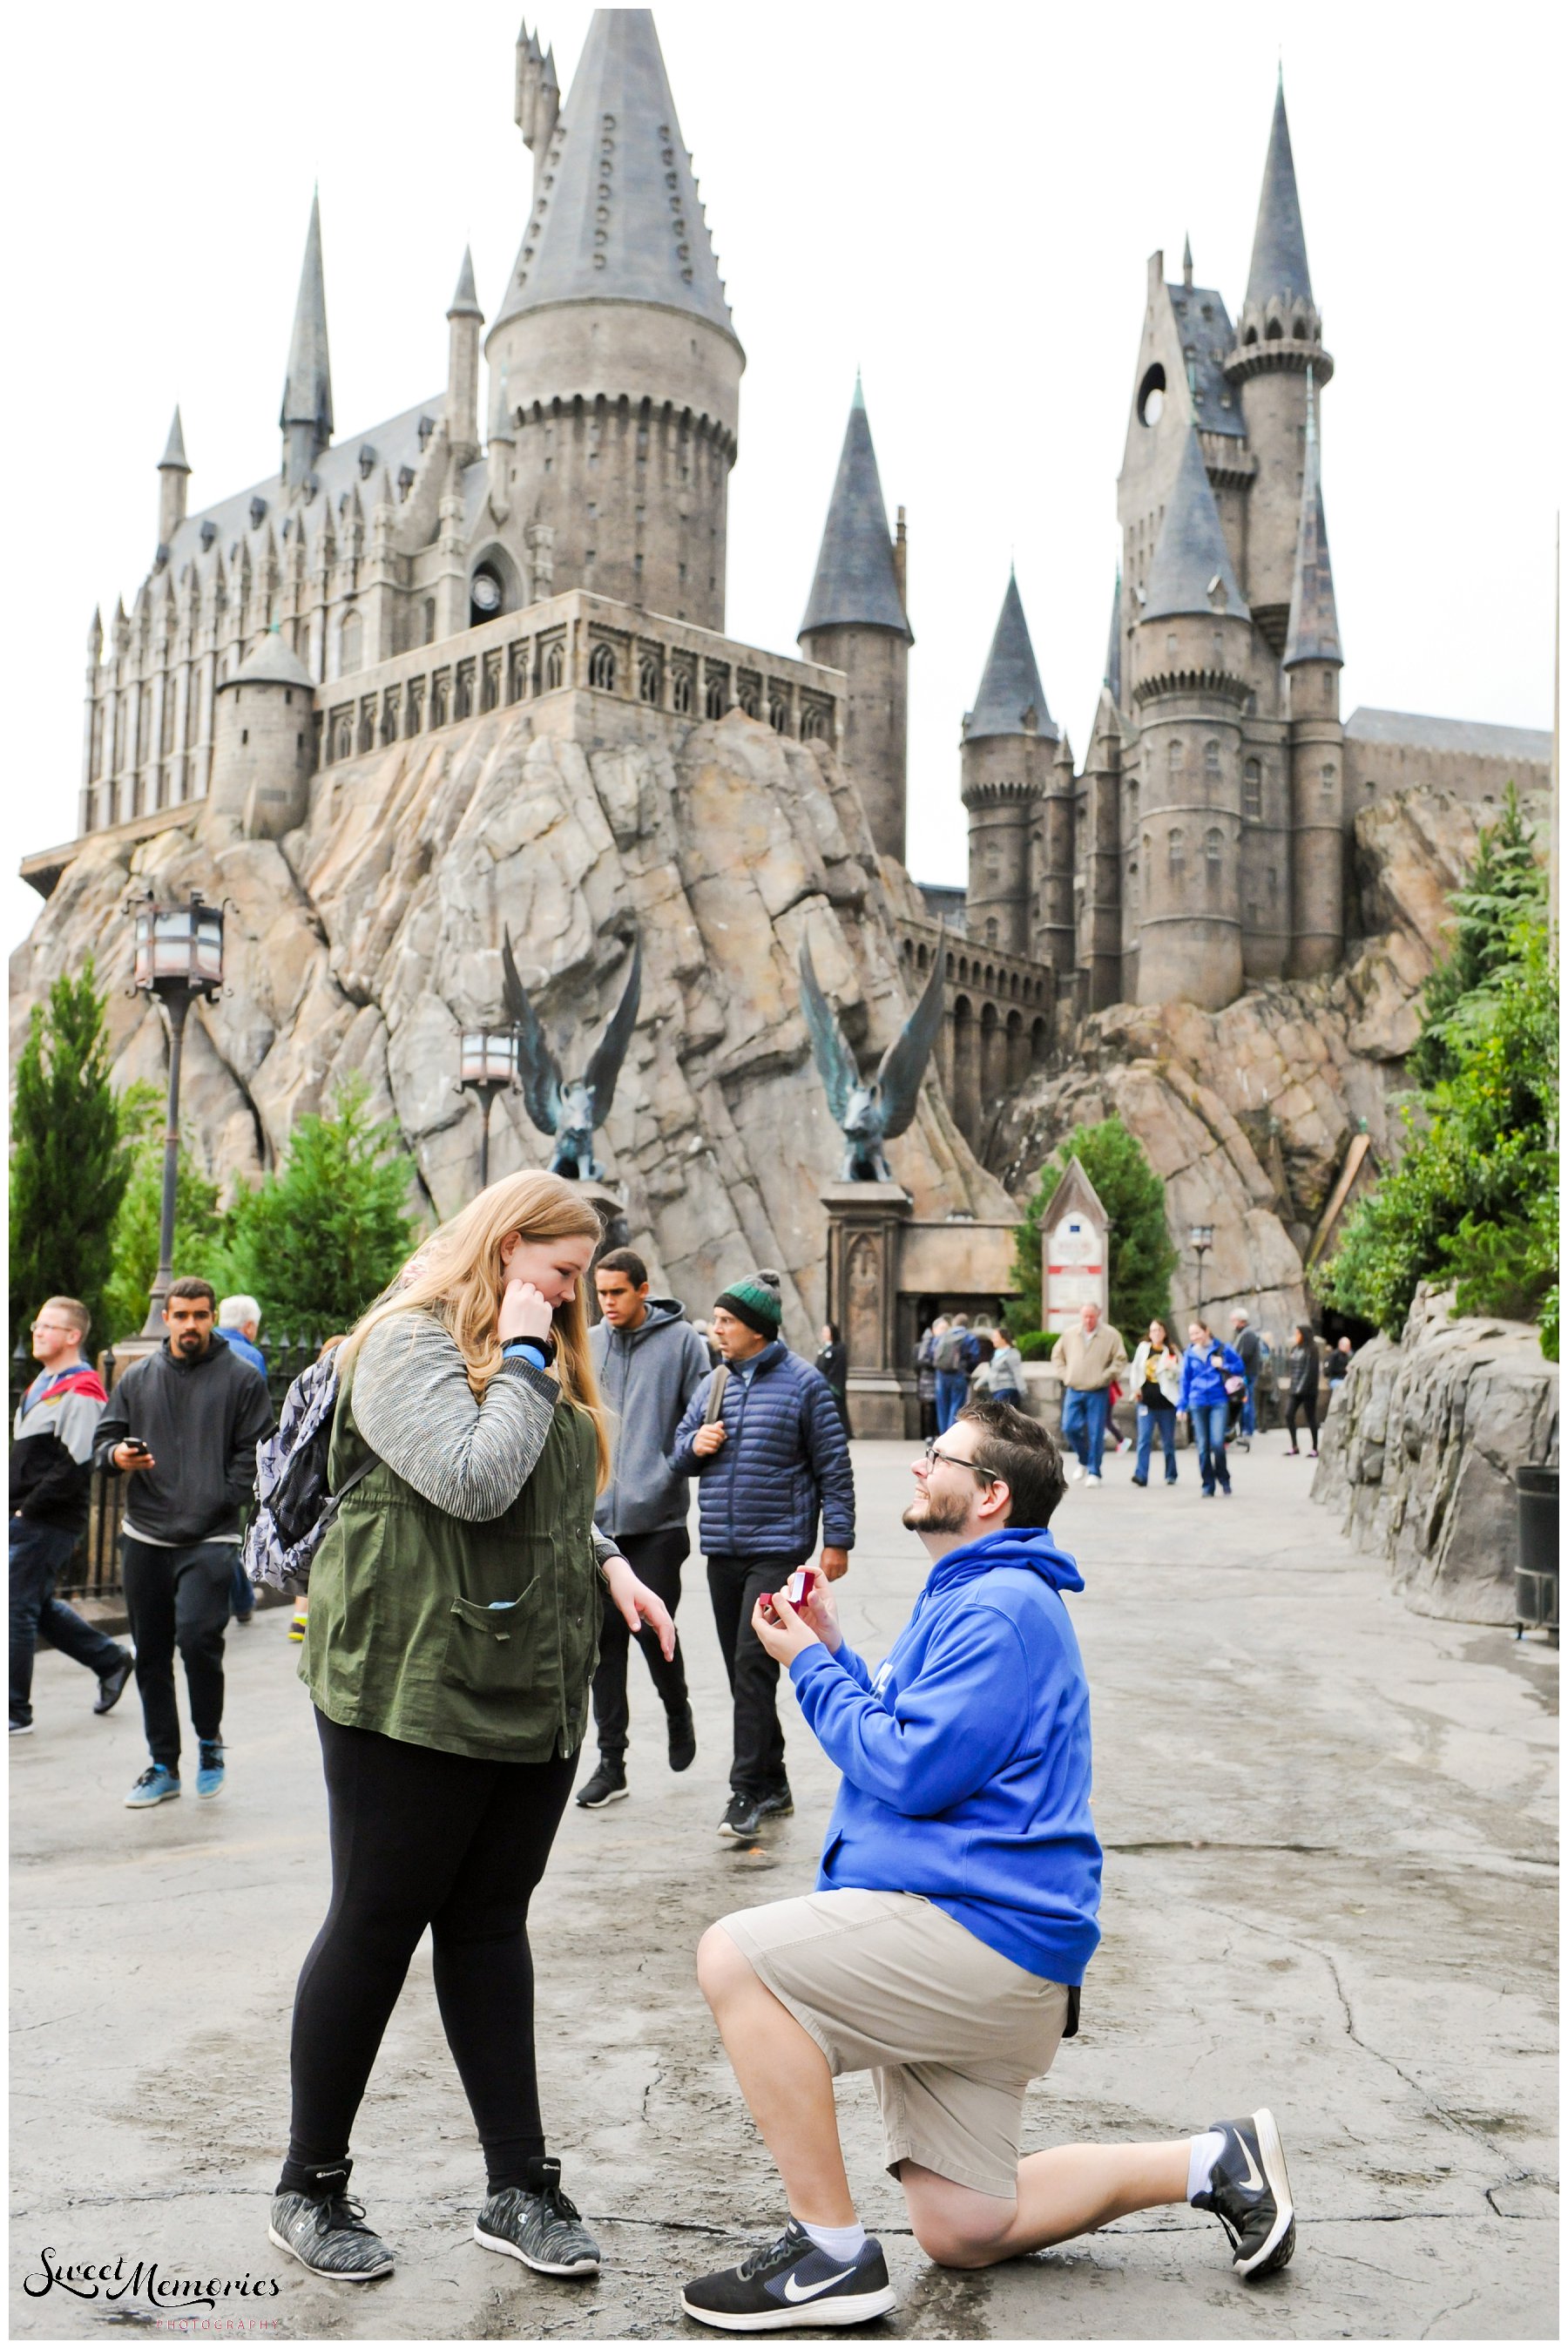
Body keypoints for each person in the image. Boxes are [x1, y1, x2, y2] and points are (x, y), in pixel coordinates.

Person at [679, 1400, 1296, 2330]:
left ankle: (829, 2249)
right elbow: (902, 1724)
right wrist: (834, 1646)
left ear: (991, 1492)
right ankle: (1216, 2159)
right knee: (967, 2223)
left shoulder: (1001, 1607)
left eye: (940, 1456)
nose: (919, 1467)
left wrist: (807, 1663)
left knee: (734, 1955)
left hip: (977, 1931)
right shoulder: (972, 1591)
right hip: (978, 1928)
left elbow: (906, 1767)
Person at [268, 1172, 675, 2285]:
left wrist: (610, 1563)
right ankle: (309, 2184)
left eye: (582, 1278)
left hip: (528, 1681)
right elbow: (472, 1475)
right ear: (501, 1250)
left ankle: (517, 2184)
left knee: (492, 1925)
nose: (575, 1296)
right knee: (377, 1918)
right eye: (558, 1272)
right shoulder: (404, 1343)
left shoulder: (545, 1349)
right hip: (407, 1677)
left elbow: (547, 1493)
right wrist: (535, 1352)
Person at [671, 1268, 855, 1841]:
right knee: (741, 1673)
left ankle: (747, 1791)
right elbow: (677, 1452)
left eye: (726, 1321)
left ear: (756, 1328)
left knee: (753, 1666)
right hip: (723, 1547)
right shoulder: (715, 1382)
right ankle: (773, 1782)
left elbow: (834, 1468)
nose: (718, 1329)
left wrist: (837, 1541)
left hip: (777, 1546)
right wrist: (694, 1447)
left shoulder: (805, 1385)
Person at [95, 1277, 275, 1808]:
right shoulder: (140, 1378)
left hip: (210, 1534)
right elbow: (104, 1439)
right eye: (181, 1316)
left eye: (200, 1315)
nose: (190, 1325)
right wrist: (116, 1458)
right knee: (150, 1653)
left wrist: (222, 1496)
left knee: (198, 1640)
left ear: (211, 1316)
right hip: (146, 1533)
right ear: (168, 1319)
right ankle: (162, 1765)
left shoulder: (241, 1378)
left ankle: (209, 1742)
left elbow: (256, 1452)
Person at [578, 1247, 710, 1810]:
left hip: (657, 1521)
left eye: (617, 1293)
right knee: (603, 1646)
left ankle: (677, 1709)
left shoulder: (683, 1343)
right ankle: (613, 1763)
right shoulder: (587, 1341)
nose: (607, 1303)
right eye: (600, 1293)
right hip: (598, 1524)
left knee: (654, 1631)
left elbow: (700, 1418)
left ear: (642, 1289)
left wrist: (666, 1469)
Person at [10, 1297, 133, 1736]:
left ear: (73, 1336)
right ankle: (111, 1660)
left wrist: (27, 1509)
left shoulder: (81, 1388)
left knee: (15, 1608)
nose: (36, 1332)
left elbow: (74, 1464)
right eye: (36, 1325)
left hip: (47, 1520)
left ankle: (14, 1711)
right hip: (29, 1517)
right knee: (35, 1607)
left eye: (47, 1326)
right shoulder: (43, 1383)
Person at [217, 1293, 267, 1628]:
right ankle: (243, 1597)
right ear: (249, 1326)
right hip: (232, 1458)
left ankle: (242, 1597)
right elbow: (257, 1417)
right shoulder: (250, 1356)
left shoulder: (198, 1348)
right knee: (225, 1531)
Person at [1054, 1301, 1127, 1486]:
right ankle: (1084, 1459)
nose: (1088, 1320)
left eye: (1092, 1316)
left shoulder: (1111, 1335)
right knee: (1069, 1427)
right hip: (1074, 1388)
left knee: (1096, 1432)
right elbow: (1057, 1355)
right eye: (1085, 1316)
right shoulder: (1071, 1334)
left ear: (1098, 1315)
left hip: (1098, 1390)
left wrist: (1106, 1376)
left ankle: (1095, 1471)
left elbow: (1120, 1359)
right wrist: (1065, 1375)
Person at [1178, 1321, 1247, 1499]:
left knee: (1217, 1443)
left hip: (1218, 1400)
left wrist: (1223, 1364)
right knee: (1202, 1446)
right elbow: (1185, 1381)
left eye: (1197, 1333)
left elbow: (1240, 1368)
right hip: (1197, 1401)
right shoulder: (1189, 1354)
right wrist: (1182, 1405)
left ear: (1206, 1331)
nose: (1194, 1338)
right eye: (1191, 1334)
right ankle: (1207, 1484)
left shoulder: (1223, 1348)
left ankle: (1224, 1478)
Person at [1129, 1319, 1182, 1487]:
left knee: (1167, 1441)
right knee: (1144, 1439)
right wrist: (1136, 1388)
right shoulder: (1144, 1348)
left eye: (1159, 1330)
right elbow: (1136, 1369)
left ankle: (1171, 1473)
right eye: (1153, 1330)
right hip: (1146, 1401)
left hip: (1166, 1403)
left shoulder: (1172, 1351)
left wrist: (1172, 1367)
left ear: (1165, 1332)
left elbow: (1181, 1374)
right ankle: (1141, 1475)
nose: (1156, 1333)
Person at [931, 1316, 978, 1434]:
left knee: (942, 1408)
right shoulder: (969, 1337)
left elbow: (933, 1353)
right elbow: (974, 1357)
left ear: (953, 1323)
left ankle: (943, 1435)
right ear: (967, 1325)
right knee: (956, 1406)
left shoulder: (942, 1337)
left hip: (941, 1375)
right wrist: (967, 1370)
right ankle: (951, 1435)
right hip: (959, 1374)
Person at [1284, 1324, 1321, 1458]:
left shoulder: (1312, 1350)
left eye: (1298, 1333)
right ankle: (1294, 1446)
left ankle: (1315, 1448)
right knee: (1288, 1415)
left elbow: (1310, 1371)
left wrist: (1302, 1387)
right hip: (1295, 1388)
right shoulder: (1295, 1349)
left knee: (1311, 1418)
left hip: (1308, 1390)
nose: (1296, 1336)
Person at [1229, 1310, 1261, 1450]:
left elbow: (1245, 1355)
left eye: (1235, 1321)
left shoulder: (1248, 1334)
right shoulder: (1243, 1334)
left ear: (1241, 1321)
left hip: (1247, 1373)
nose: (1233, 1324)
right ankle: (1245, 1428)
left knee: (1246, 1401)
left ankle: (1248, 1429)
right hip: (1245, 1373)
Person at [815, 1324, 851, 1439]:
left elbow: (838, 1368)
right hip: (822, 1382)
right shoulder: (823, 1349)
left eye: (826, 1331)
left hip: (833, 1385)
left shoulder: (839, 1349)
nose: (824, 1334)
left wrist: (828, 1380)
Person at [915, 1318, 948, 1444]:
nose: (944, 1332)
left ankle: (936, 1433)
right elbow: (921, 1360)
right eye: (942, 1329)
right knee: (931, 1408)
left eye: (946, 1329)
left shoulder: (943, 1341)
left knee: (937, 1407)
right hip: (929, 1380)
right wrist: (937, 1364)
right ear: (934, 1329)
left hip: (938, 1379)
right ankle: (929, 1434)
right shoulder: (929, 1341)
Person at [987, 1328, 1024, 1410]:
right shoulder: (997, 1353)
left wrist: (1022, 1391)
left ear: (1003, 1338)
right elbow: (992, 1371)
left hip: (1007, 1390)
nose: (993, 1340)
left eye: (995, 1337)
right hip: (997, 1390)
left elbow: (1017, 1373)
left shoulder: (1012, 1353)